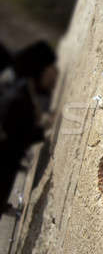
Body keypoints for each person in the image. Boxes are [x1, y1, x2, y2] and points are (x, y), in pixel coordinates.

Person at [0, 40, 58, 216]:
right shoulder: (18, 100)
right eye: (49, 74)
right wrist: (44, 128)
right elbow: (13, 142)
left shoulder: (24, 95)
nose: (53, 81)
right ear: (37, 73)